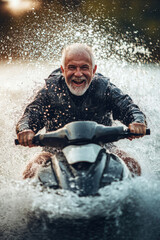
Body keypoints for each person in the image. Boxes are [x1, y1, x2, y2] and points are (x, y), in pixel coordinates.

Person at [16, 43, 147, 179]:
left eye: (84, 68)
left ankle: (130, 198)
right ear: (63, 69)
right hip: (55, 152)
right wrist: (25, 130)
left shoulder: (106, 89)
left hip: (104, 150)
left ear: (93, 70)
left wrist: (137, 122)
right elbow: (30, 115)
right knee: (32, 167)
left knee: (131, 164)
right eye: (72, 67)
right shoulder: (50, 90)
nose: (78, 74)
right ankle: (32, 199)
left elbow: (130, 108)